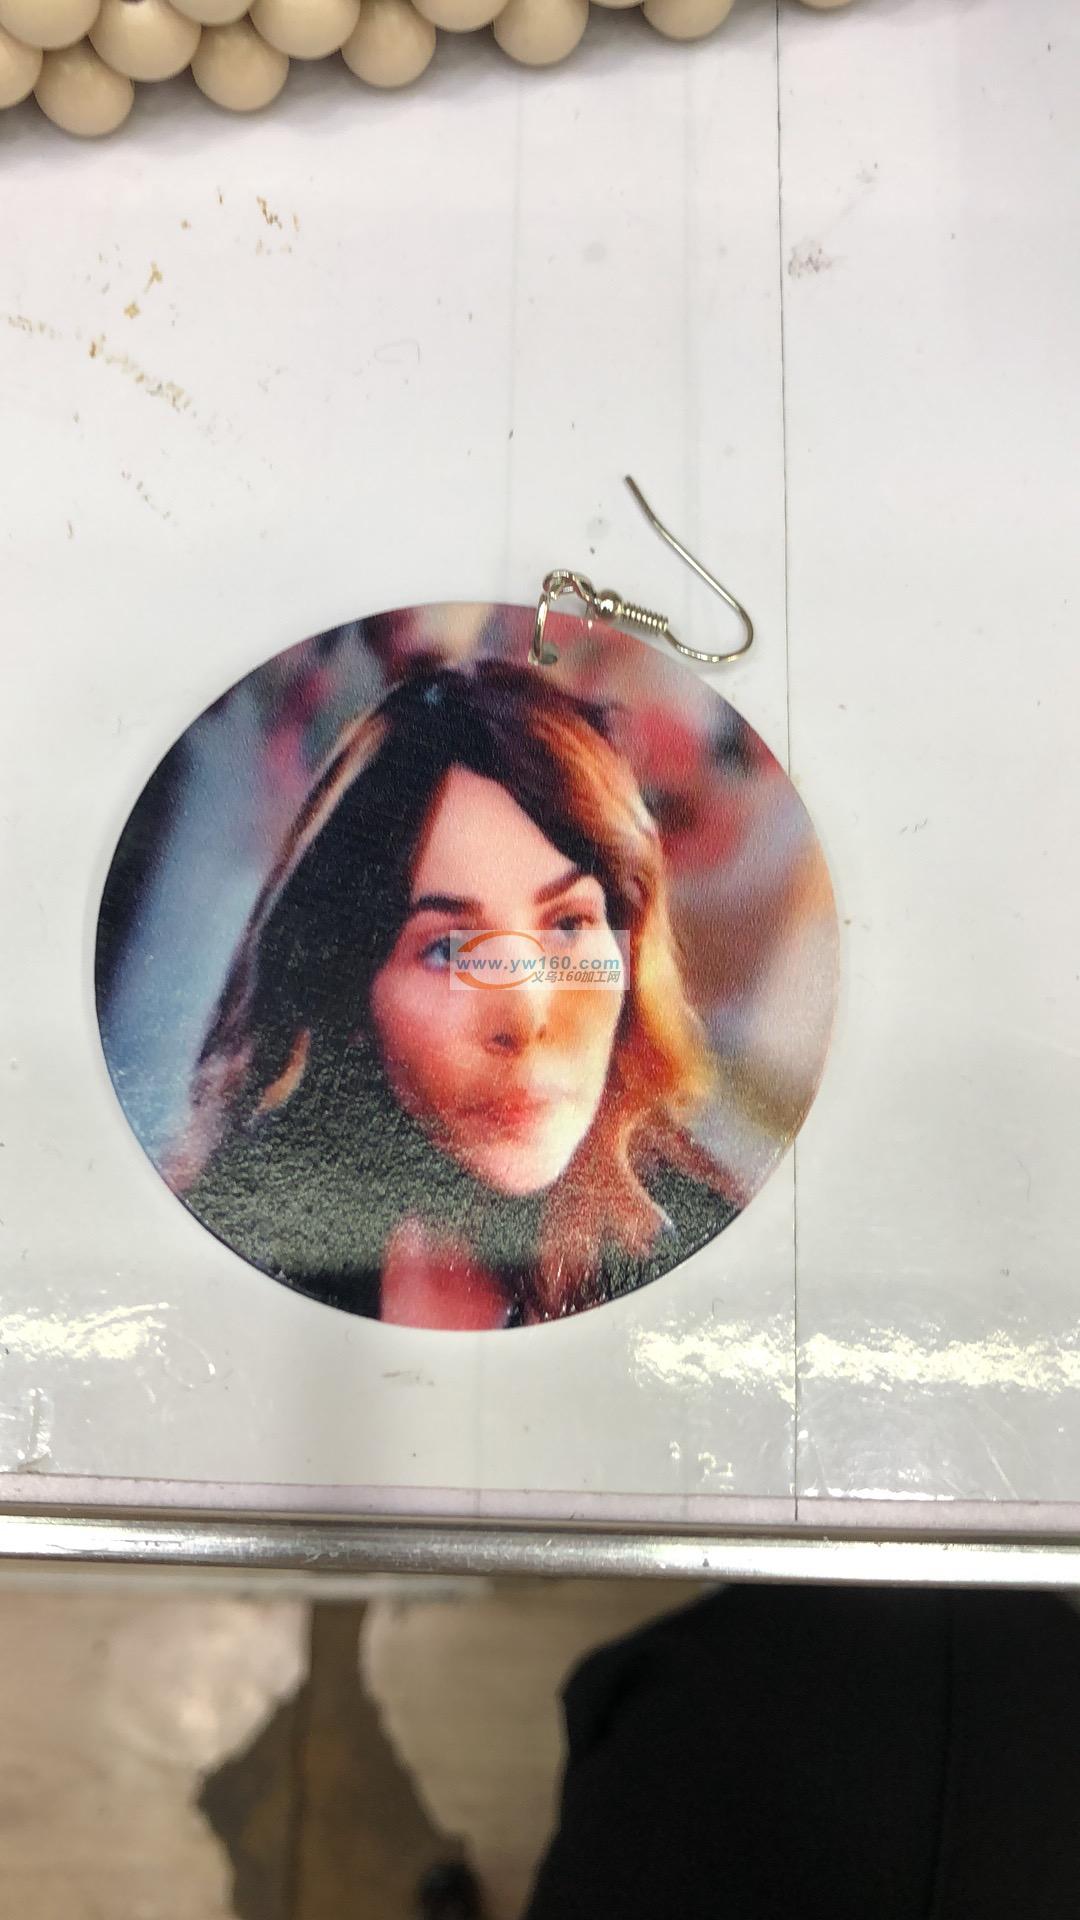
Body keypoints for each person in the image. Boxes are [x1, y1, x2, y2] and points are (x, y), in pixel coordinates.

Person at [171, 659, 741, 1328]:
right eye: (447, 949)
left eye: (567, 925)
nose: (524, 1017)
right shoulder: (247, 1235)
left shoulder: (714, 1276)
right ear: (350, 994)